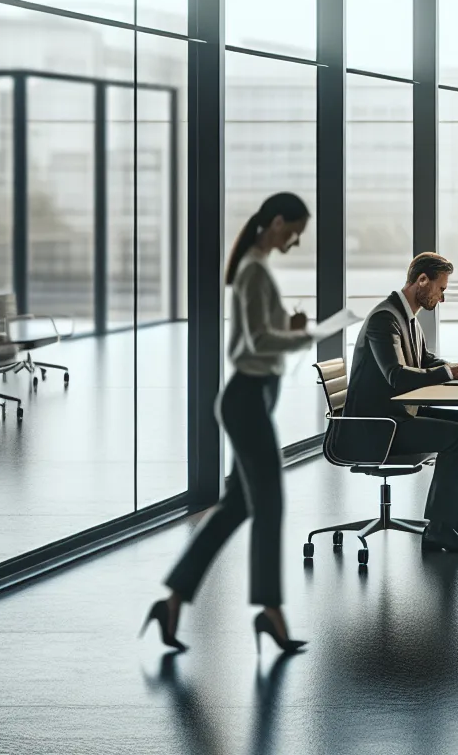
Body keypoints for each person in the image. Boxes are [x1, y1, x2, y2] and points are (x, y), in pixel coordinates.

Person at [146, 192, 315, 656]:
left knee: (238, 508)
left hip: (252, 396)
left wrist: (291, 324)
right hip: (246, 397)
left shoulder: (255, 269)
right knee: (271, 505)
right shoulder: (254, 270)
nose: (296, 241)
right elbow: (253, 344)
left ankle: (173, 601)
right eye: (296, 231)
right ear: (277, 221)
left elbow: (259, 330)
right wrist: (301, 335)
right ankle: (271, 612)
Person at [344, 253, 458, 554]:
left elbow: (424, 361)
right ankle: (440, 528)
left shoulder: (406, 318)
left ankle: (447, 521)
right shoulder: (384, 319)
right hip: (376, 428)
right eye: (441, 289)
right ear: (422, 280)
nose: (442, 298)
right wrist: (454, 372)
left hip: (395, 417)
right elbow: (397, 376)